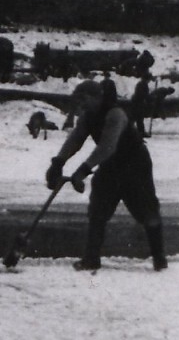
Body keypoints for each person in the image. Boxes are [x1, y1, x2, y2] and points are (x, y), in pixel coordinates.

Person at [44, 80, 167, 272]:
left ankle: (159, 258)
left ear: (97, 98)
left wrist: (83, 170)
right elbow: (76, 139)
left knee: (146, 210)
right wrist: (58, 162)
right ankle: (91, 258)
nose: (81, 104)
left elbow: (107, 146)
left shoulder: (116, 114)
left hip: (135, 164)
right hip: (111, 165)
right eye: (79, 100)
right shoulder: (88, 116)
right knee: (98, 209)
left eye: (84, 99)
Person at [130, 72, 152, 137]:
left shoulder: (140, 84)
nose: (149, 81)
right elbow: (143, 95)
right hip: (138, 103)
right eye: (149, 79)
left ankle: (133, 131)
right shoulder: (143, 85)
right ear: (147, 79)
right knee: (139, 118)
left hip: (136, 103)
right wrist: (150, 98)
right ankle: (140, 132)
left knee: (135, 118)